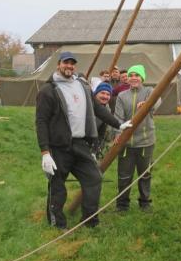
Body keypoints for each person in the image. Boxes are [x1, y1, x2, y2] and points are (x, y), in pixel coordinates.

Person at [35, 51, 132, 229]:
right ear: (58, 64)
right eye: (66, 63)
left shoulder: (82, 86)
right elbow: (41, 122)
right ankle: (57, 223)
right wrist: (45, 152)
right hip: (58, 147)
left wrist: (118, 124)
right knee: (57, 186)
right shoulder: (48, 91)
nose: (69, 66)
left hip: (80, 144)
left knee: (94, 178)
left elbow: (97, 108)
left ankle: (89, 220)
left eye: (72, 64)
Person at [113, 64, 161, 212]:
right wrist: (117, 133)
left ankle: (145, 202)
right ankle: (122, 205)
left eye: (137, 75)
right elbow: (118, 117)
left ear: (142, 78)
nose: (133, 78)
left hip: (145, 142)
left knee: (145, 175)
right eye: (131, 75)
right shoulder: (122, 96)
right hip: (126, 144)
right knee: (124, 176)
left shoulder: (149, 91)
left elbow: (157, 102)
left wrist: (148, 103)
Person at [92, 82, 121, 160]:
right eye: (102, 93)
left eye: (108, 94)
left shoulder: (107, 108)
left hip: (99, 147)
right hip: (89, 149)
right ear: (96, 94)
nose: (105, 96)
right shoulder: (92, 109)